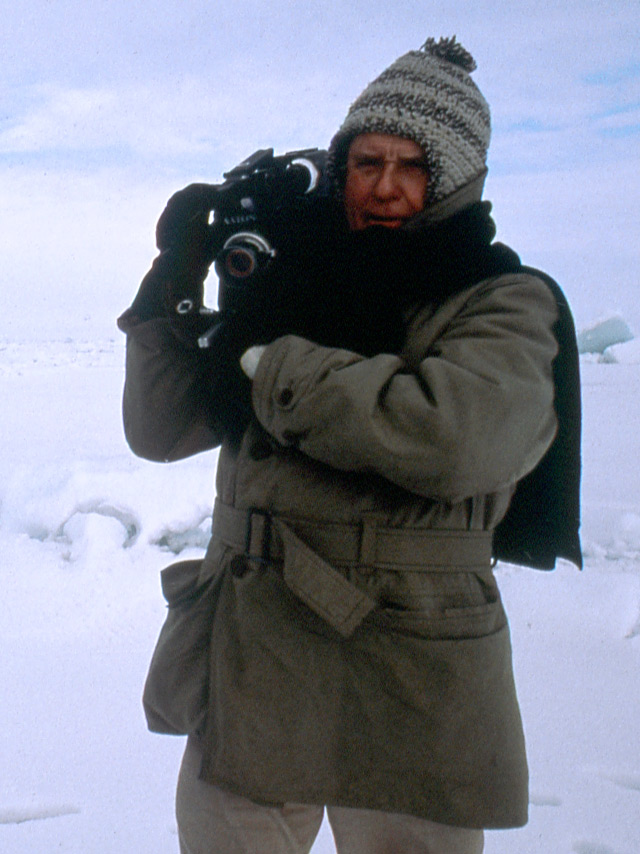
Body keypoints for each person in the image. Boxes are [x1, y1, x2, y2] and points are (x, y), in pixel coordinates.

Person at [118, 36, 582, 854]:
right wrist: (171, 289)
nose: (387, 189)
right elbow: (159, 432)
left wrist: (267, 361)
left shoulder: (504, 300)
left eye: (415, 167)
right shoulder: (289, 282)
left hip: (411, 665)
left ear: (459, 178)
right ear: (342, 169)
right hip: (255, 656)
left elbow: (454, 439)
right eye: (367, 162)